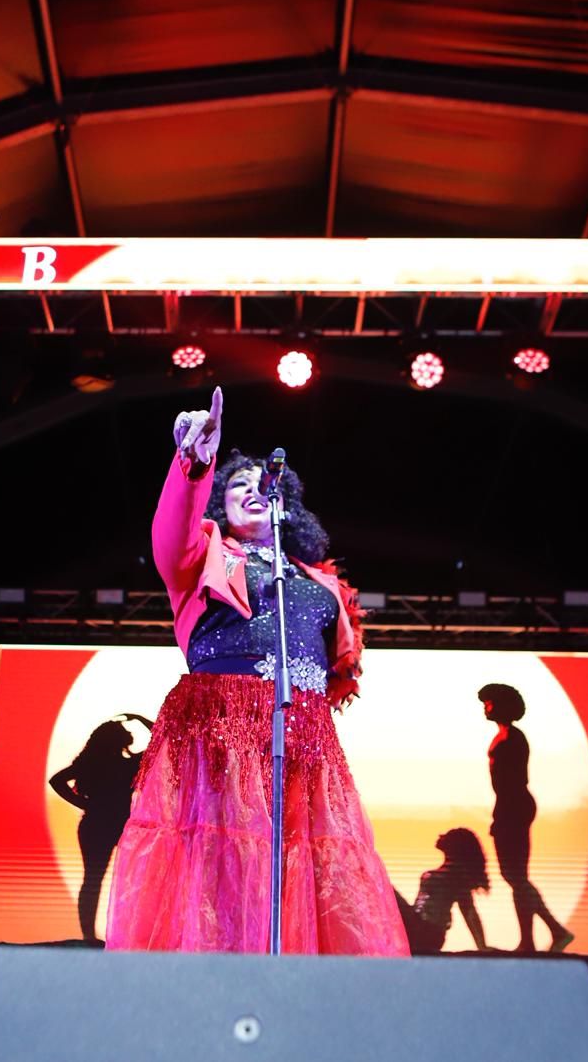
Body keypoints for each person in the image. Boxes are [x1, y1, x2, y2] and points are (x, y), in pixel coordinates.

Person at [104, 387, 407, 955]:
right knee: (221, 858)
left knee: (304, 862)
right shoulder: (204, 558)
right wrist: (196, 465)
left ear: (284, 504)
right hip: (221, 722)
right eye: (236, 487)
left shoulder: (319, 584)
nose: (251, 492)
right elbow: (170, 534)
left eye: (261, 486)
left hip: (303, 732)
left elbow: (341, 664)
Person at [478, 682, 573, 953]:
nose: (486, 707)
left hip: (514, 806)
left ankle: (545, 935)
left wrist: (502, 814)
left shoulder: (512, 738)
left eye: (490, 702)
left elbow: (513, 782)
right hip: (511, 806)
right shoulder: (506, 736)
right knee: (515, 876)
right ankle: (545, 934)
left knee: (516, 875)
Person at [49, 713, 153, 944]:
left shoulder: (96, 763)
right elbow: (161, 735)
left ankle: (92, 934)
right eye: (122, 730)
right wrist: (139, 718)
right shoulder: (128, 764)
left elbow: (56, 780)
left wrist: (85, 804)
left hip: (101, 823)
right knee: (110, 878)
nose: (128, 731)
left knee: (96, 879)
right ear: (116, 739)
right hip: (109, 825)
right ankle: (93, 935)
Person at [404, 827, 492, 954]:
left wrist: (482, 945)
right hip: (418, 926)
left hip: (427, 932)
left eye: (448, 835)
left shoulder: (455, 876)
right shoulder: (448, 873)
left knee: (387, 890)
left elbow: (469, 911)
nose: (441, 835)